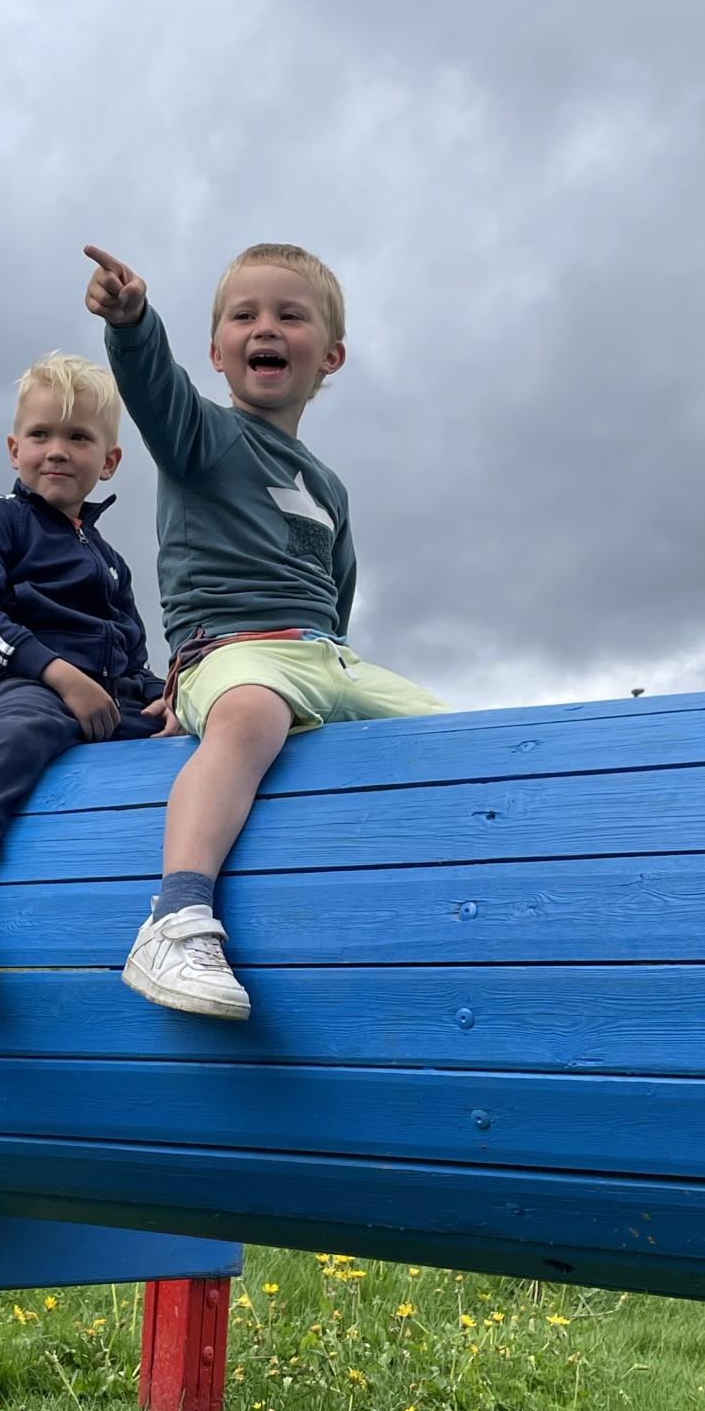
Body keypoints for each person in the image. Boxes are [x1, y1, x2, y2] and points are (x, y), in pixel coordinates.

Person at [83, 240, 446, 1021]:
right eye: (244, 316)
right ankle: (175, 919)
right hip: (229, 648)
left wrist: (334, 672)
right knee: (249, 711)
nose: (265, 328)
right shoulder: (204, 437)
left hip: (324, 655)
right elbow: (154, 387)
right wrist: (133, 324)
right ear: (217, 353)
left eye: (290, 315)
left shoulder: (329, 485)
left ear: (331, 356)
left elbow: (336, 593)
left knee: (450, 733)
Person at [0, 351, 173, 988]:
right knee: (15, 735)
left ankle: (178, 907)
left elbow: (132, 652)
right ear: (14, 449)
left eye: (79, 438)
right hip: (29, 683)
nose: (57, 451)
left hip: (112, 699)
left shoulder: (111, 560)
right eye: (41, 435)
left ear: (110, 461)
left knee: (189, 733)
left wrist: (165, 698)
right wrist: (58, 674)